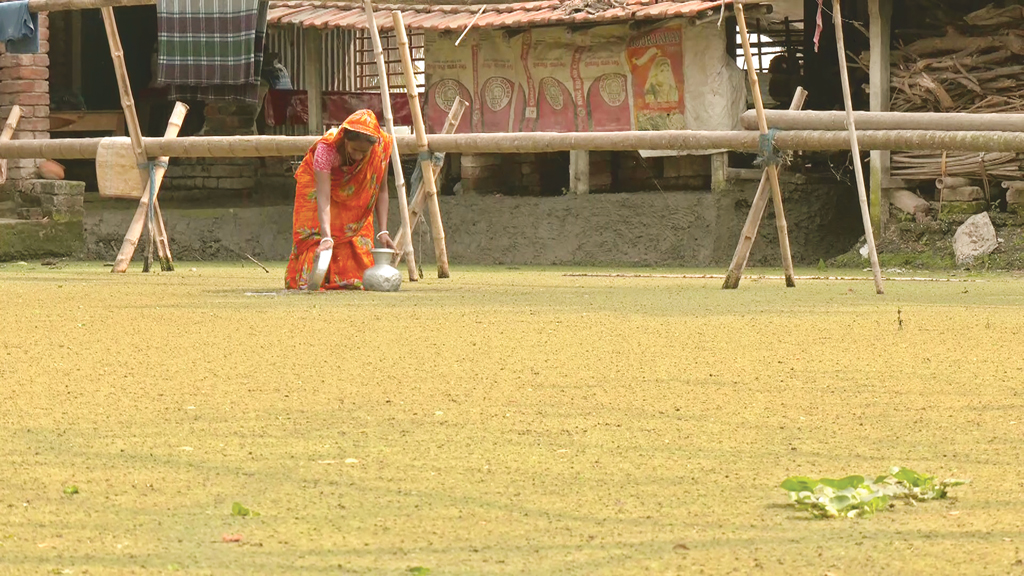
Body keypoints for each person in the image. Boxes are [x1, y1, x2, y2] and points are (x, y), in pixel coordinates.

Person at [285, 109, 395, 290]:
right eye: (354, 149)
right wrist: (326, 237)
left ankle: (346, 276)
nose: (358, 156)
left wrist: (383, 231)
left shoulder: (380, 148)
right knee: (315, 239)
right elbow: (323, 196)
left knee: (359, 257)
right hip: (316, 186)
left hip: (353, 198)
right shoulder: (326, 150)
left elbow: (381, 190)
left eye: (364, 152)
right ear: (345, 140)